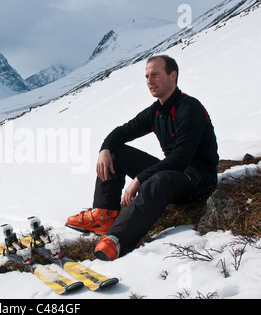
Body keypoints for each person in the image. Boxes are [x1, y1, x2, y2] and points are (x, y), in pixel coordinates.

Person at [65, 55, 219, 261]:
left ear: (173, 76)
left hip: (198, 179)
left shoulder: (189, 109)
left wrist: (139, 179)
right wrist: (105, 149)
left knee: (157, 179)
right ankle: (104, 215)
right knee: (117, 152)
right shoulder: (156, 112)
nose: (149, 81)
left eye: (155, 75)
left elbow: (181, 158)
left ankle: (117, 239)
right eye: (147, 76)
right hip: (175, 173)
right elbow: (121, 132)